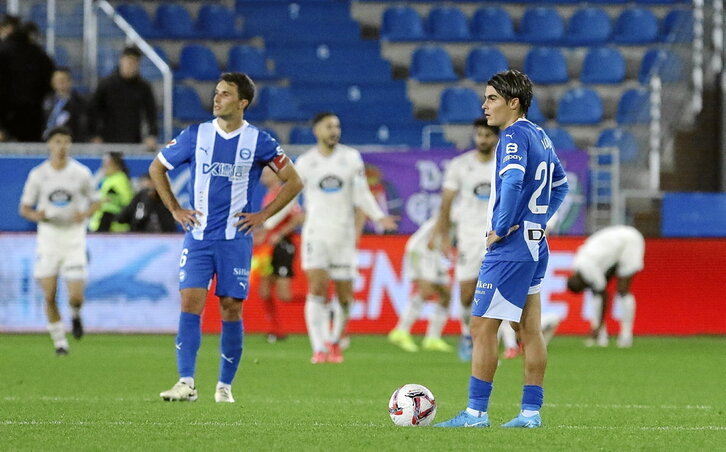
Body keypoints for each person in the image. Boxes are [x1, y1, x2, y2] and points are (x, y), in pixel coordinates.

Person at [149, 72, 303, 403]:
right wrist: (175, 209)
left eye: (225, 94)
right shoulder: (195, 135)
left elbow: (293, 181)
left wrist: (264, 215)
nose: (216, 98)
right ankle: (186, 382)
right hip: (199, 237)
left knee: (231, 307)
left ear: (242, 102)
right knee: (190, 302)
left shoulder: (260, 141)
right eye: (216, 93)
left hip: (235, 239)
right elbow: (157, 168)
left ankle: (224, 386)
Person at [436, 69, 569, 429]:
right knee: (529, 329)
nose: (485, 105)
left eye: (492, 98)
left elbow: (511, 180)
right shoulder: (540, 135)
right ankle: (530, 413)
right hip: (534, 243)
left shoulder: (512, 136)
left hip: (510, 248)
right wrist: (537, 221)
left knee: (481, 327)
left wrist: (501, 226)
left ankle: (476, 414)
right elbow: (561, 185)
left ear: (514, 103)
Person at [295, 112, 397, 364]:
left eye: (337, 126)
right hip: (316, 234)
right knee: (317, 289)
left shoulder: (350, 158)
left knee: (344, 296)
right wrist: (269, 220)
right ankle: (319, 347)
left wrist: (378, 216)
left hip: (343, 235)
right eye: (329, 126)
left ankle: (335, 341)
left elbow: (361, 193)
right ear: (316, 130)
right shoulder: (306, 162)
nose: (334, 130)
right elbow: (290, 197)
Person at [18, 126, 100, 355]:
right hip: (49, 236)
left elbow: (96, 201)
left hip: (73, 236)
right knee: (50, 294)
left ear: (70, 144)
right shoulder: (38, 174)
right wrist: (36, 215)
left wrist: (84, 214)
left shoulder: (81, 173)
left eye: (65, 141)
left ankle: (75, 315)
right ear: (49, 144)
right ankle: (60, 343)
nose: (61, 146)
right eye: (57, 141)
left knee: (75, 296)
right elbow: (24, 208)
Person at [431, 118, 499, 361]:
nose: (483, 139)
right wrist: (444, 236)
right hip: (468, 237)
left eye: (488, 136)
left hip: (497, 237)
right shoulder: (460, 165)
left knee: (494, 293)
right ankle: (467, 335)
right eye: (479, 135)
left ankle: (489, 340)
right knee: (467, 293)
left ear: (496, 138)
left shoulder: (504, 165)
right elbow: (446, 203)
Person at [567, 225, 645, 348]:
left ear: (583, 284)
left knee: (623, 290)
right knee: (597, 292)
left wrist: (597, 325)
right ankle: (602, 336)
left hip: (630, 242)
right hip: (615, 245)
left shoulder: (589, 270)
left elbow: (604, 295)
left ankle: (626, 335)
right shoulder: (577, 264)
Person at [254, 166, 304, 343]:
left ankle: (322, 302)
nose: (263, 178)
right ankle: (275, 330)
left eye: (267, 174)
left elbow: (299, 217)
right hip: (267, 248)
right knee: (264, 290)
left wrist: (280, 234)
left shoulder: (284, 193)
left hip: (283, 245)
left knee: (284, 294)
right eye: (263, 174)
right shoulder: (268, 195)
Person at [388, 217, 453, 353]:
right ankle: (401, 331)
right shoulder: (460, 206)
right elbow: (442, 219)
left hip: (436, 252)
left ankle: (433, 338)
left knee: (446, 293)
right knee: (426, 290)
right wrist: (437, 239)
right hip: (421, 249)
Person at [88, 45, 158, 151]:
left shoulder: (144, 87)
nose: (131, 65)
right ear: (121, 61)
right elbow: (93, 110)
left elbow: (151, 113)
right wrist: (94, 134)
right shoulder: (106, 84)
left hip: (134, 140)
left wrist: (151, 135)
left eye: (135, 62)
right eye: (128, 61)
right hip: (107, 141)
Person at [0, 14, 54, 142]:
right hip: (34, 116)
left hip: (6, 116)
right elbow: (48, 85)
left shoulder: (3, 51)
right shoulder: (41, 55)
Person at [89, 152, 134, 232]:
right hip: (105, 225)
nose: (103, 169)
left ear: (116, 166)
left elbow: (115, 205)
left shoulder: (119, 180)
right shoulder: (110, 179)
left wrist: (103, 228)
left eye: (106, 166)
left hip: (111, 228)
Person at [43, 67, 88, 142]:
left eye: (62, 80)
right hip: (49, 141)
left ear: (70, 82)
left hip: (70, 143)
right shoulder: (48, 100)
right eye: (57, 80)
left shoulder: (79, 102)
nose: (60, 83)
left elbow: (82, 126)